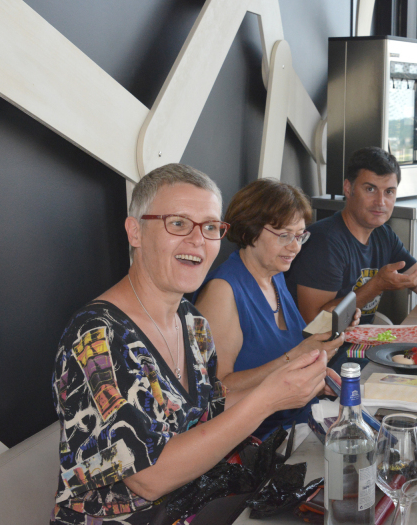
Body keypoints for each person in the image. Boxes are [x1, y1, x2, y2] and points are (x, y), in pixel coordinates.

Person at [51, 165, 333, 525]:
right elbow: (149, 478)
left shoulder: (191, 321)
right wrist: (268, 400)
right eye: (179, 223)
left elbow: (210, 409)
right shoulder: (97, 336)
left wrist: (291, 382)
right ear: (135, 232)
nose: (198, 240)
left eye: (211, 227)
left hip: (200, 506)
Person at [193, 179, 354, 438]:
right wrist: (297, 356)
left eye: (300, 236)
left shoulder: (274, 274)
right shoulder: (222, 292)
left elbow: (283, 356)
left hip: (301, 425)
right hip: (258, 440)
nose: (295, 246)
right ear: (249, 231)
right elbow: (219, 392)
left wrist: (315, 373)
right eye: (284, 235)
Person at [286, 146, 417, 325]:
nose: (380, 202)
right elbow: (314, 323)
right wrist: (376, 285)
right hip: (324, 345)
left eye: (389, 192)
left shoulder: (384, 235)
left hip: (363, 341)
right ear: (348, 189)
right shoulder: (324, 242)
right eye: (370, 189)